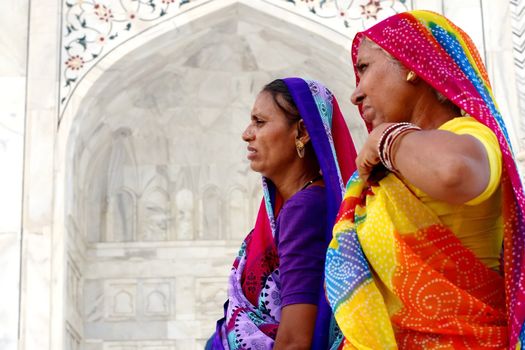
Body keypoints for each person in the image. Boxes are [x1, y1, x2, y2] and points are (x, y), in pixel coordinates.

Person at [324, 10, 525, 349]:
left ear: (411, 64)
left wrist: (387, 138)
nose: (355, 95)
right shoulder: (389, 172)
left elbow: (454, 172)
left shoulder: (469, 134)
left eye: (364, 68)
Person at [207, 77, 357, 349]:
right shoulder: (299, 205)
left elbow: (295, 341)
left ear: (301, 132)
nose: (247, 133)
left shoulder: (305, 209)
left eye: (259, 122)